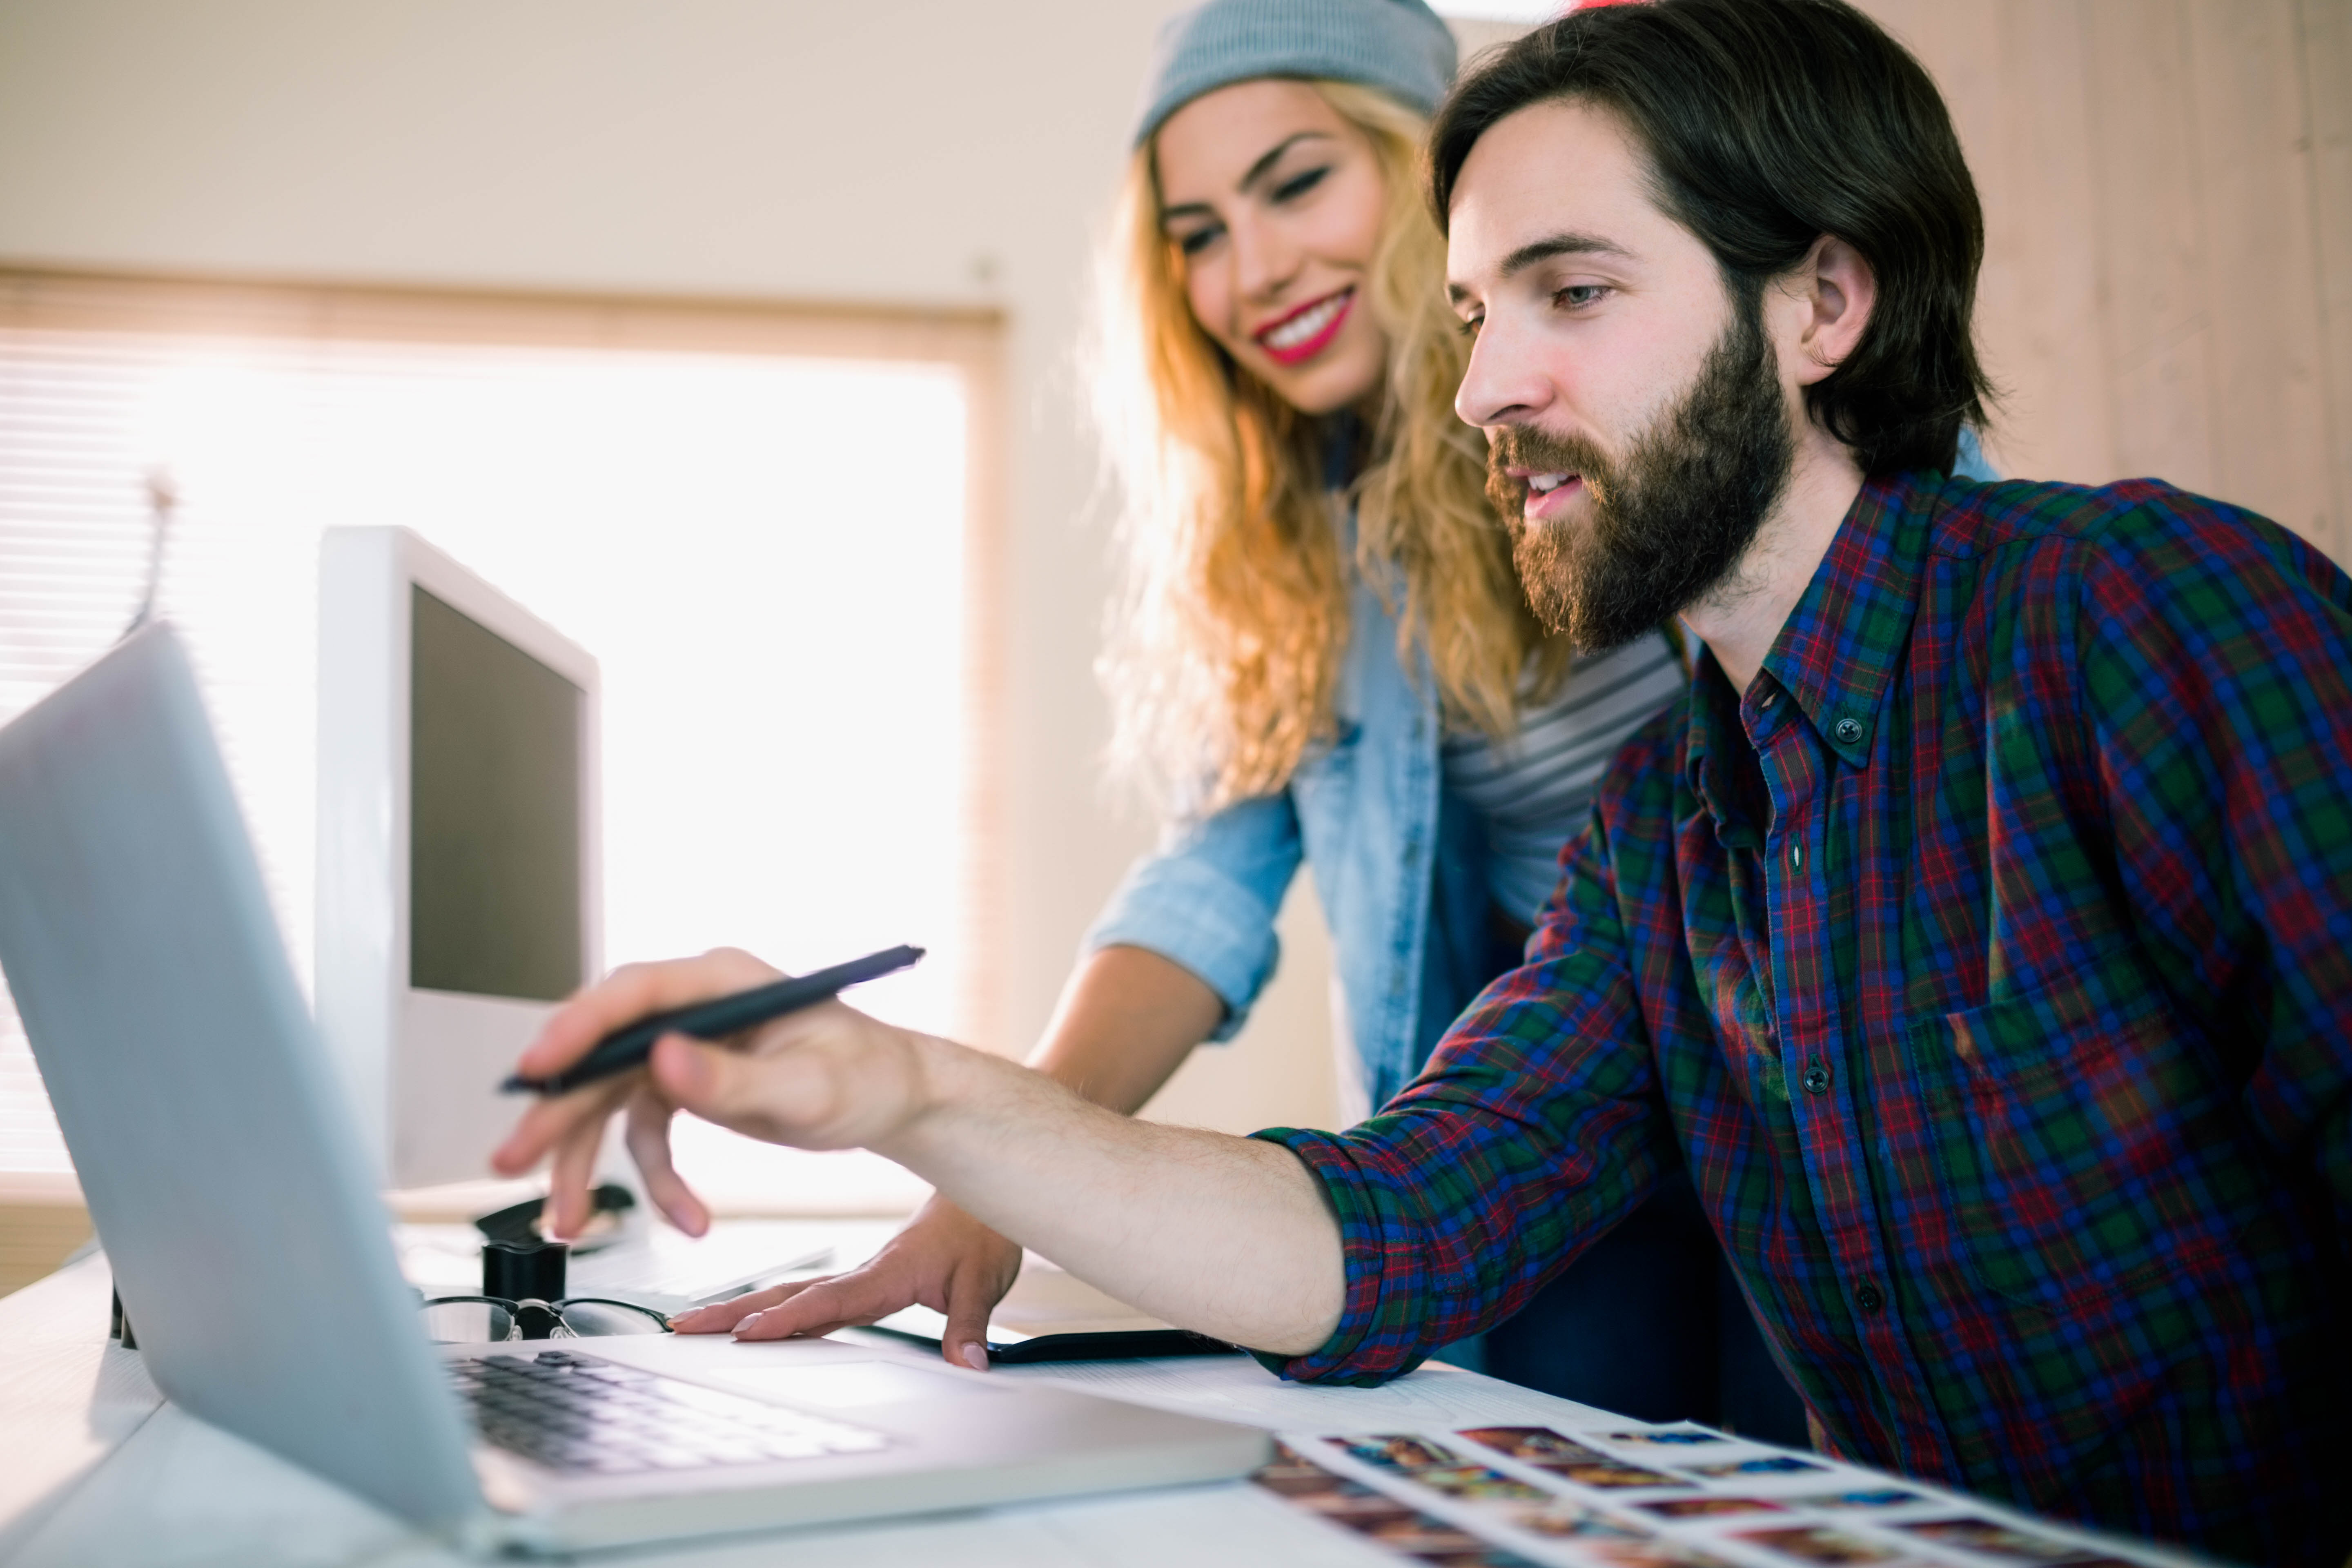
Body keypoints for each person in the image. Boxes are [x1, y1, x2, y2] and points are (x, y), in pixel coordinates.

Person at [496, 0, 2351, 1559]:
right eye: (1478, 320)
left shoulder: (2136, 615)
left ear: (1823, 304)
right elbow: (1389, 1211)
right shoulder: (1663, 843)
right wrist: (900, 1091)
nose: (1487, 393)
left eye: (1574, 291)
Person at [659, 0, 1956, 1437]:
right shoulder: (1298, 538)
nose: (1254, 268)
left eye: (1297, 183)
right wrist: (979, 1167)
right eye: (1197, 232)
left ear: (1437, 186)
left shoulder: (1769, 450)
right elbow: (1207, 884)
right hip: (1541, 1098)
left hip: (1794, 1050)